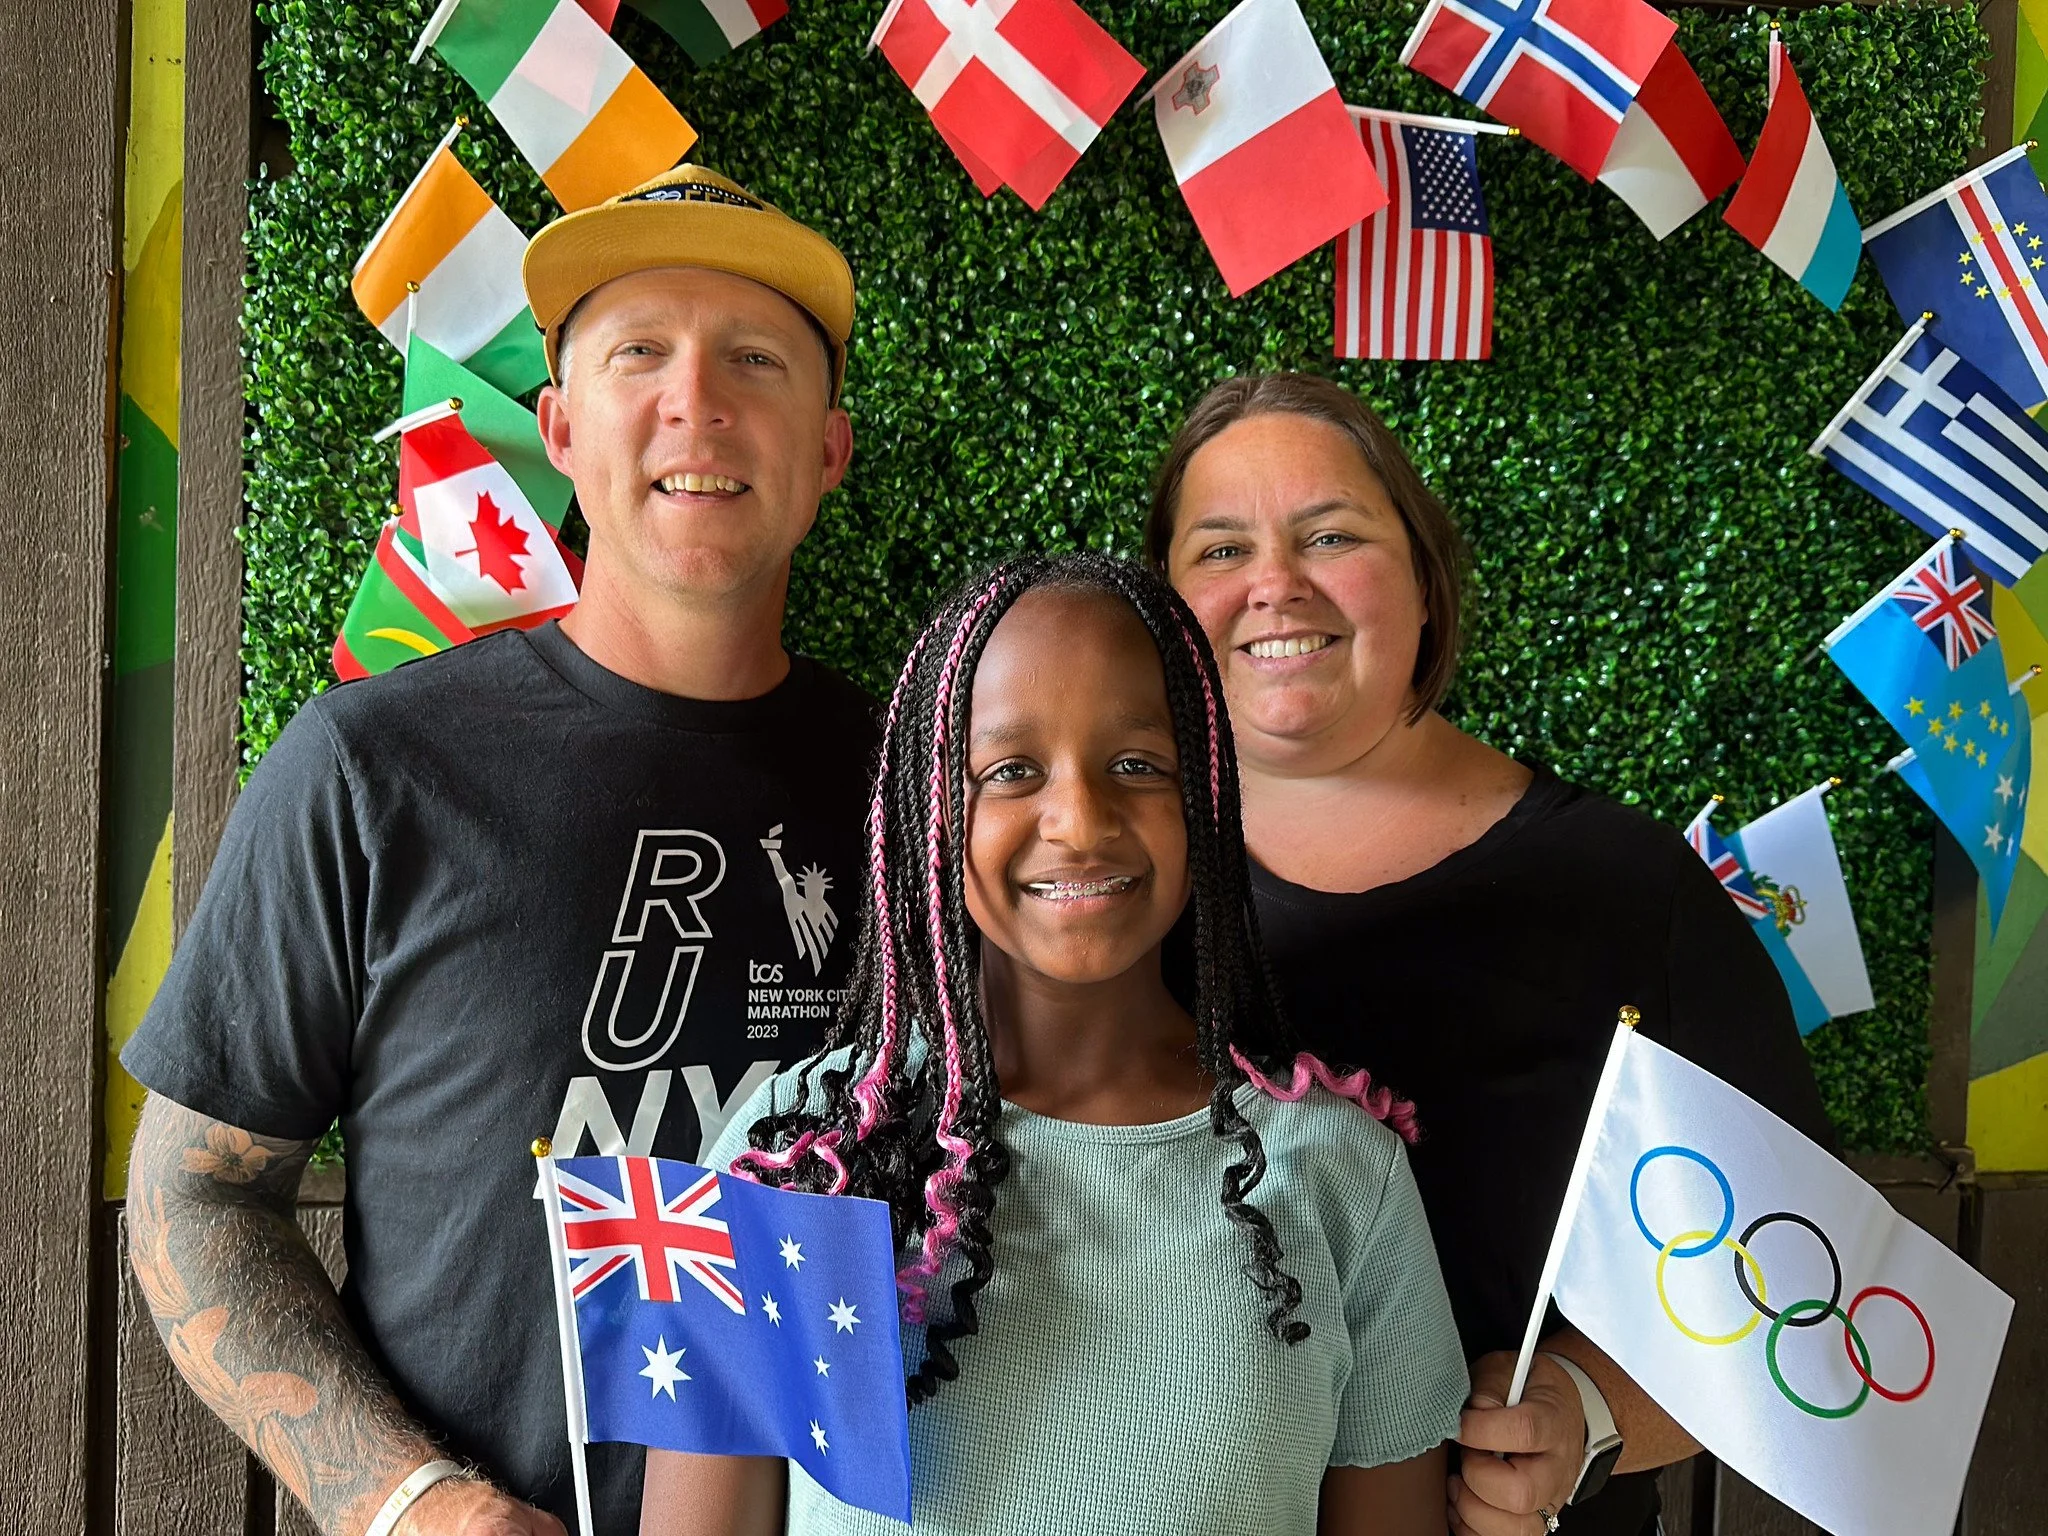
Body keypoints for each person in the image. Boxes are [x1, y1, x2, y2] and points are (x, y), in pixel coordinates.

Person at [122, 166, 877, 1536]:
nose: (694, 401)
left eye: (753, 359)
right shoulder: (371, 766)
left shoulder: (922, 791)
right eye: (640, 352)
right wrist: (417, 1506)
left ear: (827, 448)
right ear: (561, 428)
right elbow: (194, 1201)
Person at [642, 554, 1470, 1536]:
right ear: (928, 813)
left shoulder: (1343, 1179)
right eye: (1011, 772)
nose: (1077, 821)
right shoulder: (790, 1161)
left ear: (1202, 796)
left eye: (1135, 766)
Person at [1152, 373, 1835, 1536]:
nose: (1273, 584)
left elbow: (1795, 1292)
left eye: (1330, 534)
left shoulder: (1626, 891)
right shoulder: (1101, 895)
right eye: (1219, 550)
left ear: (1421, 580)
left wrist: (1586, 1414)